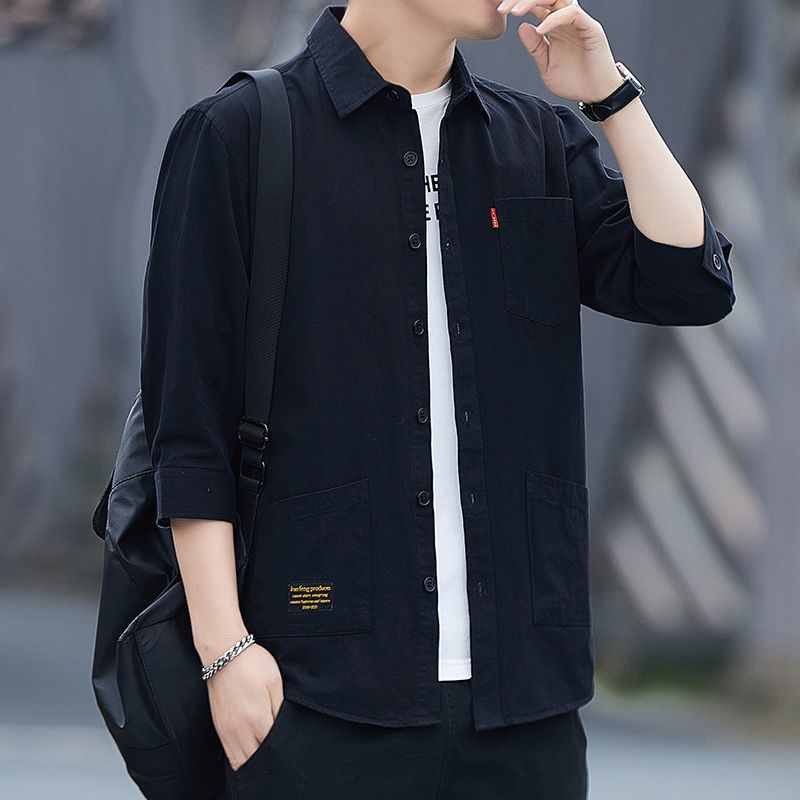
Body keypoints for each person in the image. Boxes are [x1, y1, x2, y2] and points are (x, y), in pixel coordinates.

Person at [139, 1, 735, 797]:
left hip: (523, 704)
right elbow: (189, 427)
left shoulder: (536, 141)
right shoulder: (239, 135)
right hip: (317, 690)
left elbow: (689, 282)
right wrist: (225, 653)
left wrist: (611, 97)